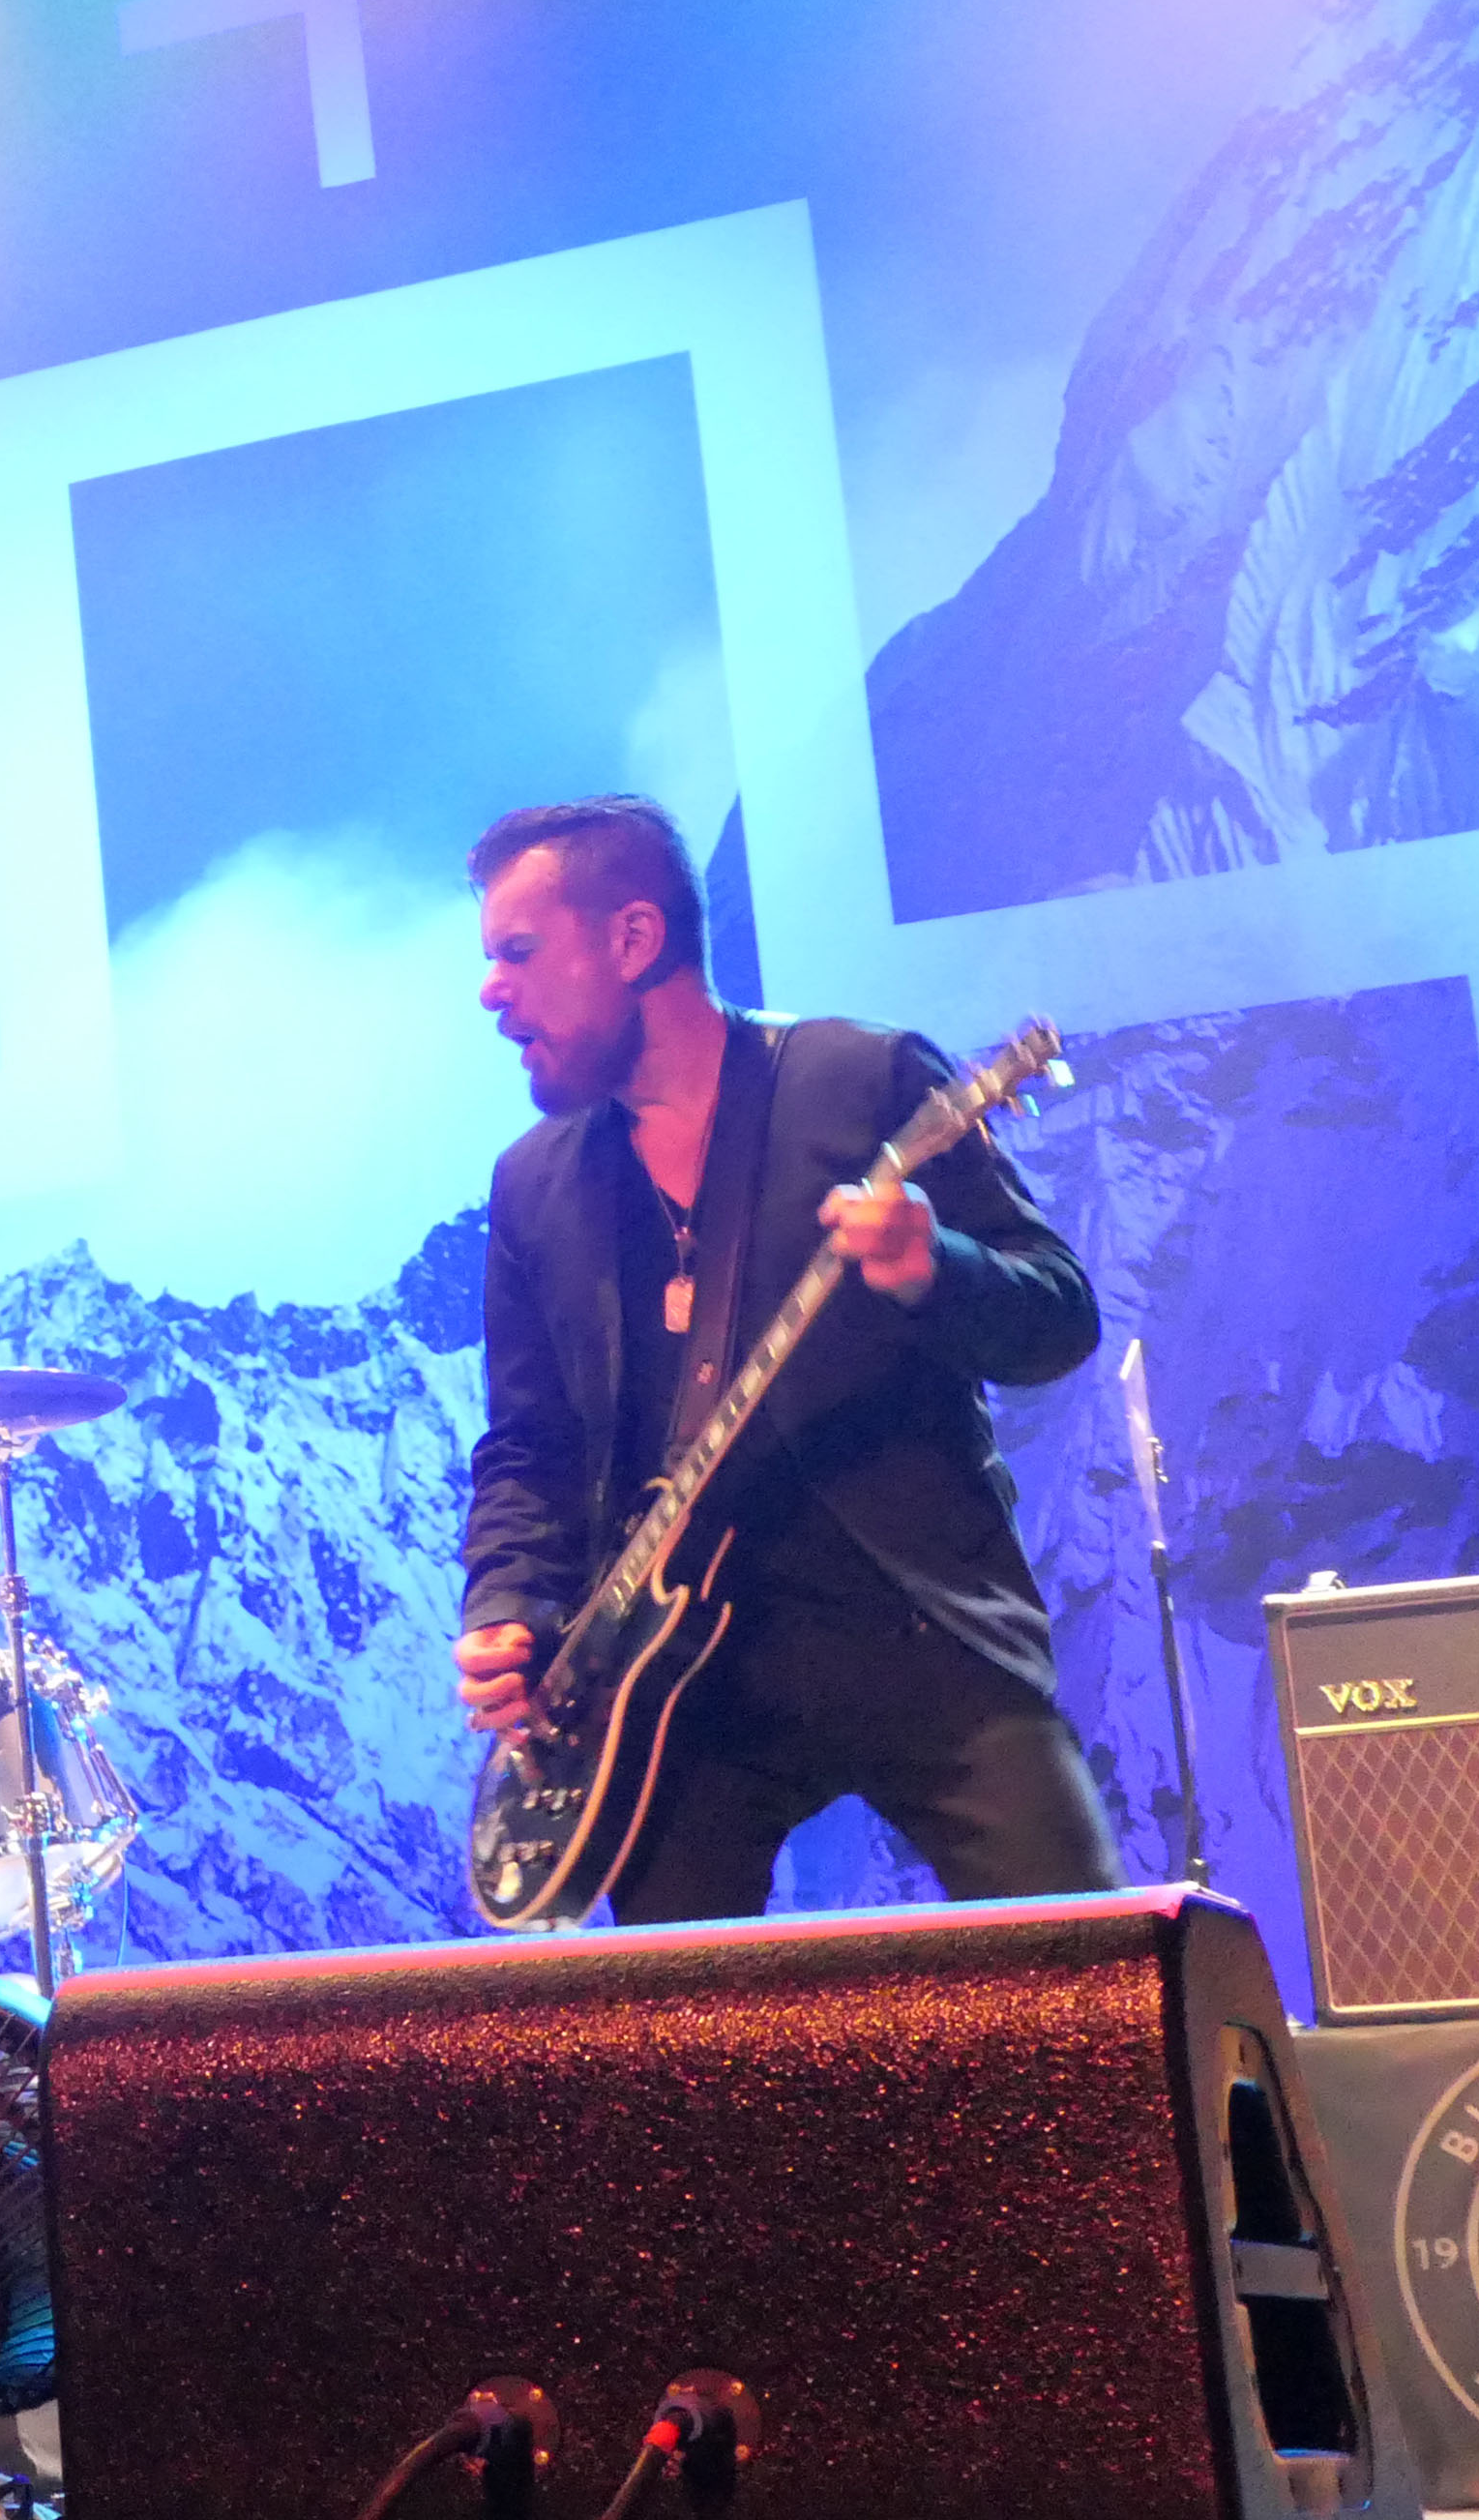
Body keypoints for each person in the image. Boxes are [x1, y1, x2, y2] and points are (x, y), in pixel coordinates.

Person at [449, 795, 1116, 1922]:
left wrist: (933, 1267)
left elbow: (1056, 1316)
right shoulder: (532, 1184)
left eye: (516, 952)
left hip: (916, 1628)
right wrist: (505, 1603)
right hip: (674, 1693)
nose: (488, 991)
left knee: (1087, 1968)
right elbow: (528, 1446)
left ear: (631, 939)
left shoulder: (857, 1080)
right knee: (673, 2019)